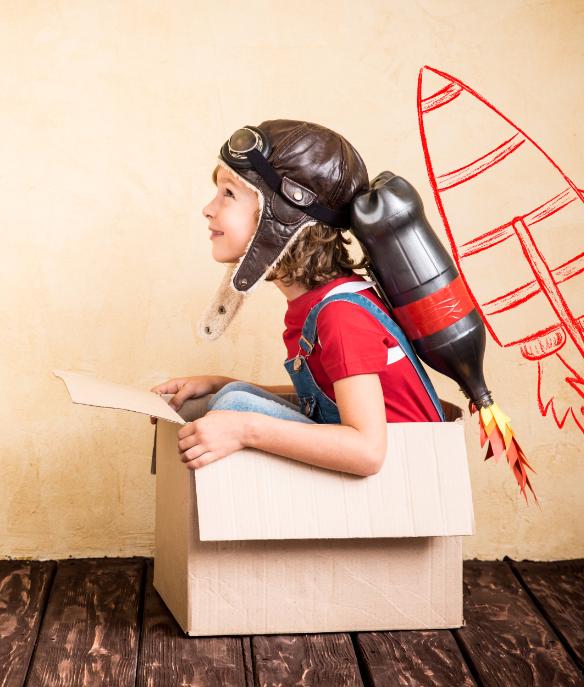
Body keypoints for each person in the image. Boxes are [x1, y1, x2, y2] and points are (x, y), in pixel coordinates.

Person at [150, 120, 443, 477]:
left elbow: (368, 452)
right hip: (383, 472)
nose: (208, 209)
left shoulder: (340, 316)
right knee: (232, 396)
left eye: (228, 194)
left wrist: (244, 427)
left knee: (237, 409)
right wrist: (219, 384)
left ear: (283, 214)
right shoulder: (313, 306)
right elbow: (330, 400)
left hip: (406, 480)